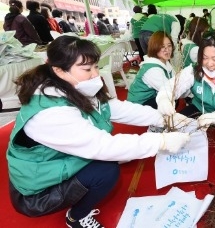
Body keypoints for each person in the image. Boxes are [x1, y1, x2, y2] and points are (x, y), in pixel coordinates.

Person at [6, 35, 190, 228]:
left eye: (95, 66)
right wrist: (161, 142)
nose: (95, 74)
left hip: (54, 166)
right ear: (59, 70)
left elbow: (117, 109)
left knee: (117, 156)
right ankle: (75, 217)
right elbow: (104, 146)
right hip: (36, 192)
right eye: (87, 69)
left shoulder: (71, 88)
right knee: (106, 170)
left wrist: (164, 117)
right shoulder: (51, 113)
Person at [156, 31, 215, 145]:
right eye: (205, 57)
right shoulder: (194, 70)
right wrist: (164, 98)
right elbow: (172, 86)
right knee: (177, 124)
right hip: (200, 109)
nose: (209, 63)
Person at [127, 31, 175, 108]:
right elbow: (170, 90)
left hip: (149, 98)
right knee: (170, 99)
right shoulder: (152, 69)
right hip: (138, 105)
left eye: (169, 46)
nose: (167, 50)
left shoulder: (164, 62)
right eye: (162, 47)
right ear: (155, 48)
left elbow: (174, 81)